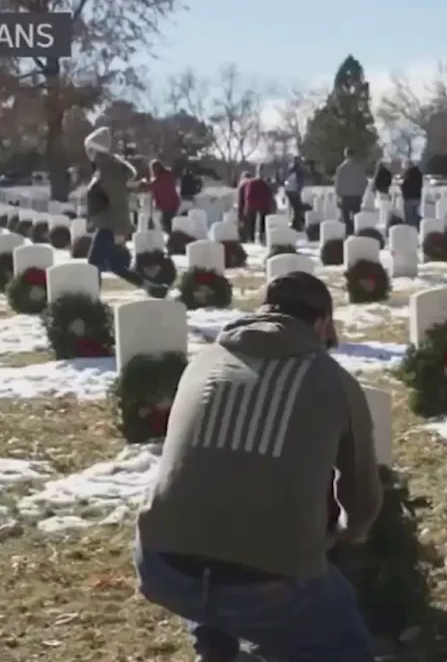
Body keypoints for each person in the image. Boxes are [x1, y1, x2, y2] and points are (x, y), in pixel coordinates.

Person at [135, 270, 383, 662]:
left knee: (212, 521)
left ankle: (216, 648)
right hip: (267, 587)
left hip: (163, 566)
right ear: (321, 323)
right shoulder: (333, 381)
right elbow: (362, 499)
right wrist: (348, 536)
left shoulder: (204, 361)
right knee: (341, 627)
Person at [83, 127, 167, 297]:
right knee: (117, 266)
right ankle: (152, 288)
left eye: (89, 149)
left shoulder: (108, 170)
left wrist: (120, 231)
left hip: (109, 227)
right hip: (108, 225)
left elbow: (117, 201)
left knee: (92, 264)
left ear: (95, 149)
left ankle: (91, 300)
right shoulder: (105, 168)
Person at [333, 147, 368, 234]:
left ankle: (348, 234)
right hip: (357, 195)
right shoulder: (360, 168)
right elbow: (364, 182)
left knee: (346, 218)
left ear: (345, 155)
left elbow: (337, 183)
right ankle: (357, 233)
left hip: (345, 196)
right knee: (356, 217)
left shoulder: (341, 168)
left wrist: (338, 194)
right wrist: (361, 192)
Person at [237, 168, 274, 243]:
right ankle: (263, 238)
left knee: (250, 221)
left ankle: (251, 239)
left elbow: (241, 202)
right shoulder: (260, 182)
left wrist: (240, 217)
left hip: (251, 202)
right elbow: (269, 194)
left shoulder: (242, 183)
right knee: (263, 220)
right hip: (264, 202)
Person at [149, 159, 181, 233]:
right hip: (173, 203)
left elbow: (156, 188)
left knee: (166, 223)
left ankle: (173, 239)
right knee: (169, 223)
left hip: (168, 205)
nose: (154, 170)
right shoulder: (168, 175)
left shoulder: (161, 178)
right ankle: (173, 238)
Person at [283, 156, 308, 231]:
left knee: (294, 208)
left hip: (289, 191)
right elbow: (299, 182)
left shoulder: (290, 170)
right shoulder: (299, 171)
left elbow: (286, 181)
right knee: (297, 208)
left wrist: (286, 189)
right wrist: (299, 188)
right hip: (294, 191)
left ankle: (294, 223)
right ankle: (296, 224)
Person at [400, 160, 423, 226]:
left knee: (409, 218)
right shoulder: (419, 173)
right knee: (416, 216)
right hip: (417, 198)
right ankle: (416, 230)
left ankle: (410, 232)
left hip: (409, 198)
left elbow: (405, 185)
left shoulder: (408, 173)